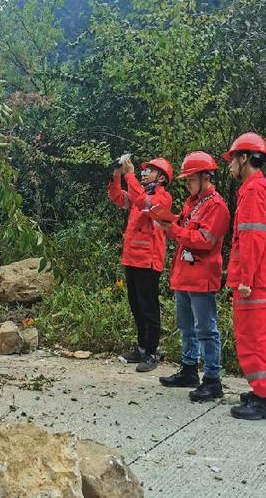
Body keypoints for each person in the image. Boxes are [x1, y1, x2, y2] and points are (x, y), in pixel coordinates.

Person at [158, 152, 230, 402]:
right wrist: (167, 225)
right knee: (186, 325)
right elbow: (182, 229)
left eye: (190, 179)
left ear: (205, 177)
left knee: (206, 329)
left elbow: (205, 241)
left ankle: (212, 379)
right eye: (186, 180)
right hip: (184, 274)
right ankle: (189, 369)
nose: (187, 184)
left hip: (202, 276)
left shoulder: (216, 206)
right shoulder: (192, 203)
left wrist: (175, 231)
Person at [222, 132, 266, 420]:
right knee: (258, 336)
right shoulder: (259, 187)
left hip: (254, 280)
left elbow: (252, 238)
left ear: (244, 158)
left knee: (253, 337)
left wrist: (246, 278)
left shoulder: (253, 190)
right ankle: (263, 391)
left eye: (232, 159)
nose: (230, 165)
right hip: (260, 277)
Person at [108, 156, 173, 372]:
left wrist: (130, 175)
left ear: (161, 178)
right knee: (136, 305)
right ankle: (142, 347)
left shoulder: (162, 198)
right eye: (144, 170)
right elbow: (117, 197)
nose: (144, 173)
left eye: (150, 171)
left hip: (148, 260)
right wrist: (117, 174)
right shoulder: (140, 195)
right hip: (132, 258)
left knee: (148, 307)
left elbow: (144, 202)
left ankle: (152, 352)